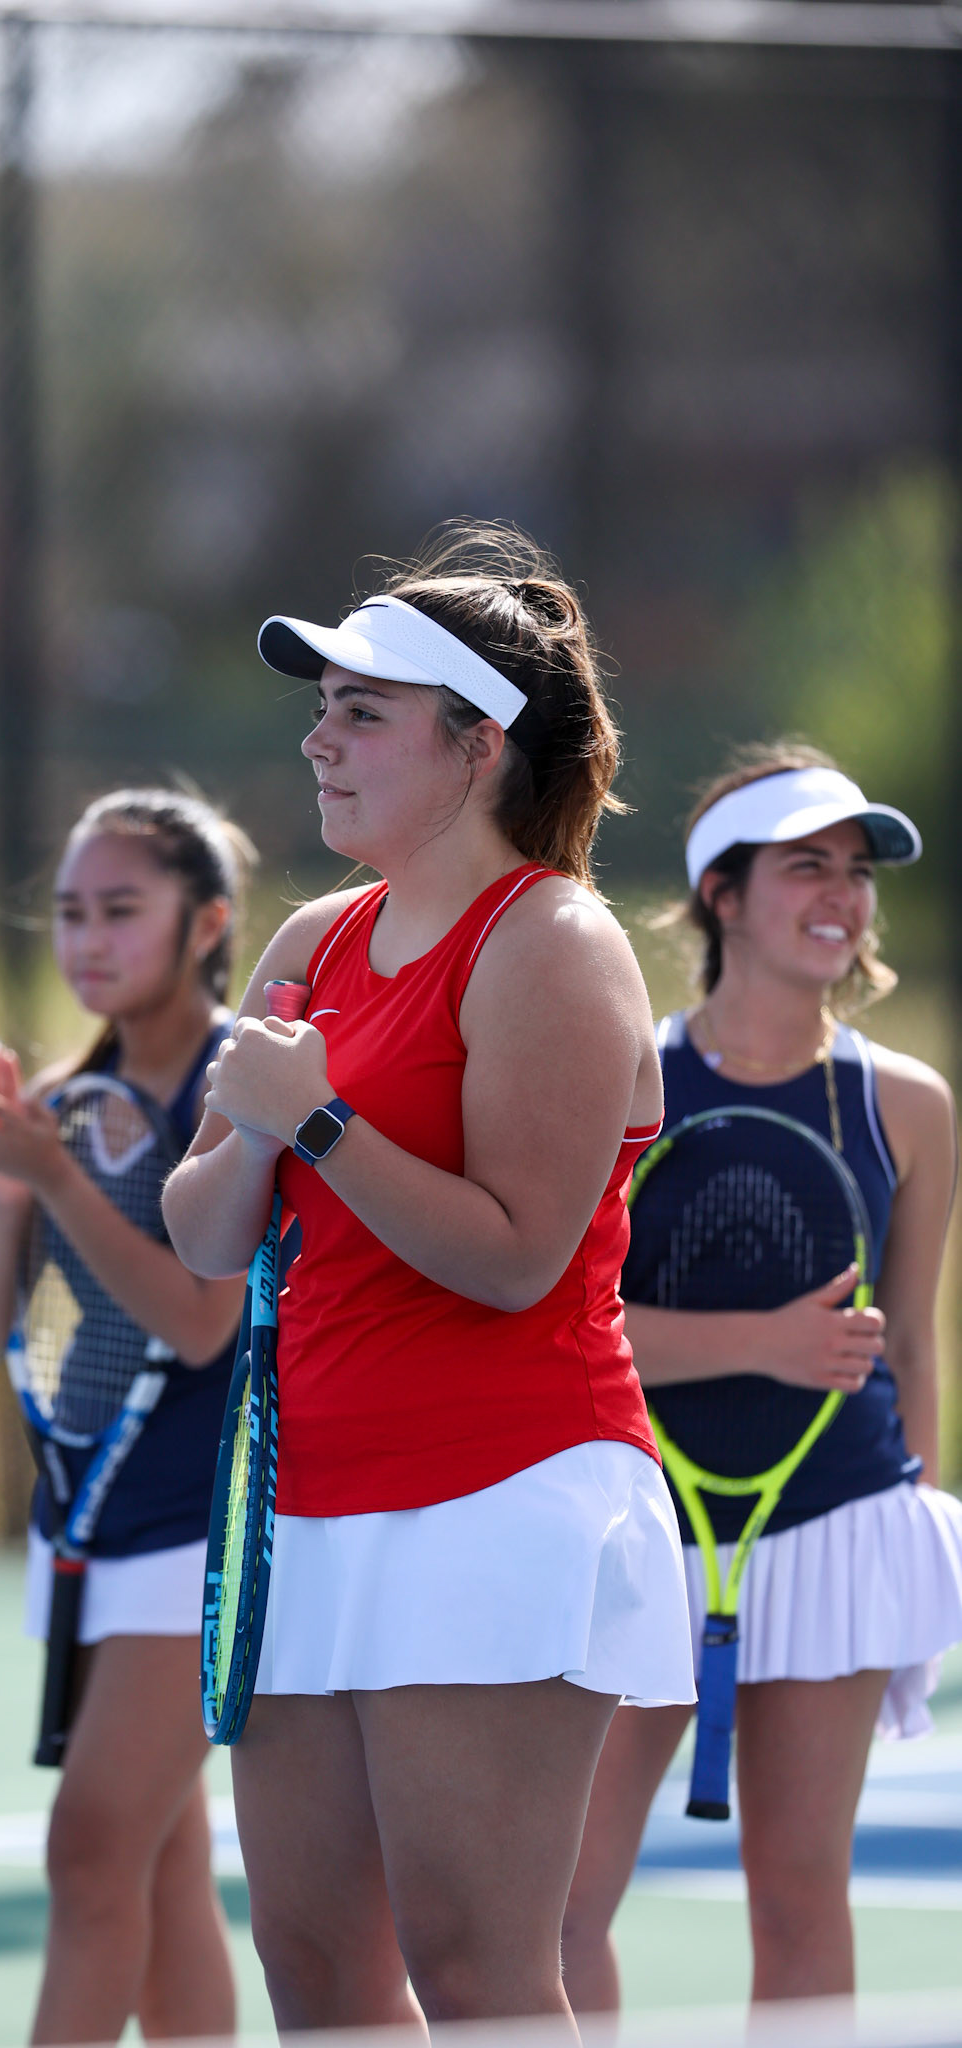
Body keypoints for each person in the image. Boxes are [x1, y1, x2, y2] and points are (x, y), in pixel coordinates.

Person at [161, 522, 695, 2036]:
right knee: (317, 1971)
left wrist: (314, 1121)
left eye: (362, 713)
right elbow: (206, 1232)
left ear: (476, 748)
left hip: (502, 1495)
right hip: (312, 1506)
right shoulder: (313, 938)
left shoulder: (557, 943)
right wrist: (266, 1138)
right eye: (321, 707)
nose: (320, 740)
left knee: (475, 1974)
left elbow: (520, 1258)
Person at [562, 744, 962, 2018]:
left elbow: (909, 1344)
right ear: (722, 897)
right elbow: (562, 1325)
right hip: (636, 1536)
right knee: (560, 1901)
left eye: (855, 870)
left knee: (799, 1894)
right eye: (806, 866)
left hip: (840, 1521)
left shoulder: (911, 1104)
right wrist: (760, 1345)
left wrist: (911, 1517)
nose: (841, 893)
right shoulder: (626, 1081)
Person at [0, 787, 249, 2046]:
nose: (89, 938)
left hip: (204, 1532)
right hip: (88, 1531)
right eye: (70, 912)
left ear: (209, 920)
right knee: (161, 1886)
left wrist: (56, 1177)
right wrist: (9, 1198)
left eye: (123, 908)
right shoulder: (62, 1101)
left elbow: (200, 1322)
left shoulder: (244, 1083)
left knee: (89, 1849)